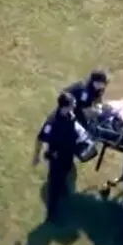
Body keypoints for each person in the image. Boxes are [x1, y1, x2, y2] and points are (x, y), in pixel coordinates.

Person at [32, 91, 80, 224]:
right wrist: (36, 157)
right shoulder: (52, 122)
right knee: (54, 184)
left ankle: (63, 189)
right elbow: (40, 138)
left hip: (68, 154)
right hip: (57, 157)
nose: (75, 105)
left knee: (66, 172)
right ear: (65, 106)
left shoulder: (70, 115)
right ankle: (51, 214)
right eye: (72, 103)